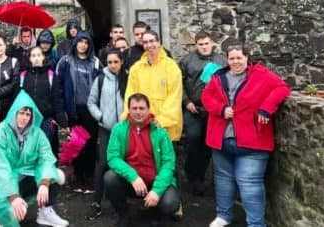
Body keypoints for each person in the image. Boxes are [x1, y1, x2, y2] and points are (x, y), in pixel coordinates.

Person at [202, 44, 290, 227]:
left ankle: (256, 224)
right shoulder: (218, 76)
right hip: (221, 139)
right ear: (227, 59)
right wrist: (221, 109)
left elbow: (282, 88)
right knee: (223, 180)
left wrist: (266, 108)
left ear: (247, 58)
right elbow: (206, 97)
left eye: (239, 58)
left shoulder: (261, 74)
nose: (235, 62)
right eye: (232, 58)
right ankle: (224, 215)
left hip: (252, 141)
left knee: (249, 183)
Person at [0, 90, 69, 227]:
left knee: (54, 174)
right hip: (3, 184)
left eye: (28, 114)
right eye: (21, 113)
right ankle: (6, 219)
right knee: (10, 213)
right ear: (14, 112)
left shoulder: (37, 133)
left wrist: (44, 182)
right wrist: (13, 196)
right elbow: (0, 168)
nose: (24, 118)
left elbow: (46, 158)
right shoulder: (0, 133)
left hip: (24, 177)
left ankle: (45, 212)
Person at [104, 93, 180, 227]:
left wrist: (157, 190)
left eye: (142, 108)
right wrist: (133, 176)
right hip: (132, 182)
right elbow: (113, 157)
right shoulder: (119, 129)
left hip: (155, 181)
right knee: (110, 178)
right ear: (129, 110)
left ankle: (156, 212)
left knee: (170, 203)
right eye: (134, 108)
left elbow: (169, 164)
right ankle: (123, 214)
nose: (138, 112)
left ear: (148, 109)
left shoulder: (160, 132)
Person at [179, 30, 226, 195]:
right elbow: (179, 84)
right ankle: (190, 173)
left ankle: (199, 178)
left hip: (213, 110)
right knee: (192, 139)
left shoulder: (221, 60)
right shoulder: (186, 61)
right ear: (196, 45)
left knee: (208, 144)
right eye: (201, 44)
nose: (204, 47)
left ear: (212, 43)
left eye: (207, 43)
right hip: (193, 108)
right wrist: (186, 102)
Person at [56, 31, 102, 188]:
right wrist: (62, 111)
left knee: (90, 143)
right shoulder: (65, 61)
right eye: (80, 41)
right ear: (75, 43)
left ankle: (89, 176)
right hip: (74, 109)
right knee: (76, 143)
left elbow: (101, 84)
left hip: (91, 109)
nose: (83, 45)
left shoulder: (95, 62)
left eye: (86, 42)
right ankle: (77, 175)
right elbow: (59, 87)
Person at [85, 48, 126, 221]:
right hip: (106, 129)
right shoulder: (100, 79)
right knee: (102, 164)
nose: (113, 65)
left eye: (116, 61)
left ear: (121, 62)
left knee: (122, 163)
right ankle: (96, 202)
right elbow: (91, 102)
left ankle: (120, 203)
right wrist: (100, 117)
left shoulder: (128, 79)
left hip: (124, 130)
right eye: (109, 62)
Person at [124, 30, 183, 143]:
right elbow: (130, 95)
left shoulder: (171, 67)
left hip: (165, 128)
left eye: (152, 41)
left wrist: (160, 121)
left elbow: (174, 97)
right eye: (145, 42)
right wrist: (131, 116)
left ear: (159, 42)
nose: (149, 45)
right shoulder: (136, 68)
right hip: (141, 125)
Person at [18, 46, 68, 154]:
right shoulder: (23, 75)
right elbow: (17, 98)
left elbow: (57, 98)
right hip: (27, 120)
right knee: (29, 151)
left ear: (43, 57)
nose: (36, 58)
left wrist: (62, 121)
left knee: (45, 151)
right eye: (33, 56)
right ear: (29, 59)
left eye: (38, 55)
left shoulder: (51, 75)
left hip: (46, 120)